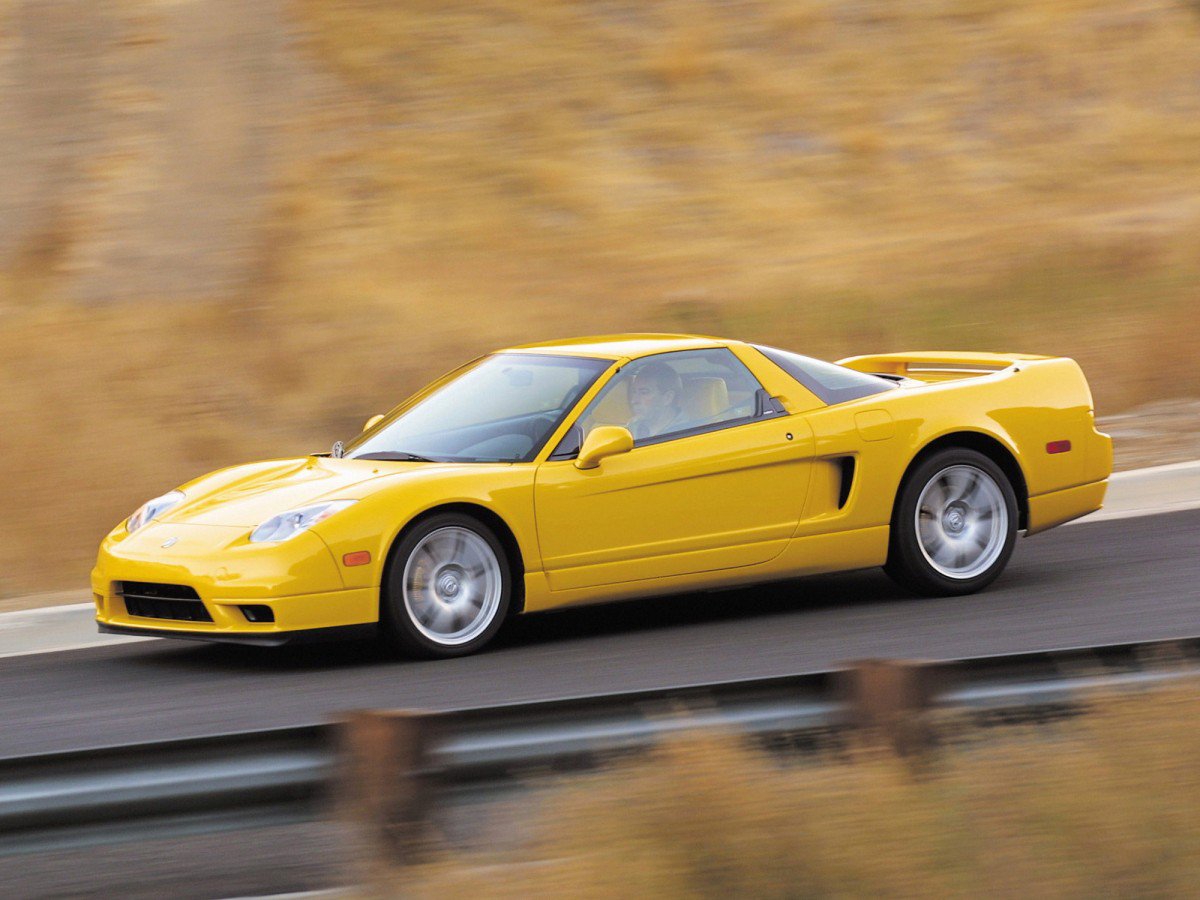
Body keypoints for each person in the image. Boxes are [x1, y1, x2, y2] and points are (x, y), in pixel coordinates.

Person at [627, 361, 685, 440]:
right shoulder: (631, 429)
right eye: (634, 392)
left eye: (644, 393)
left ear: (667, 398)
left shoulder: (689, 433)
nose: (634, 400)